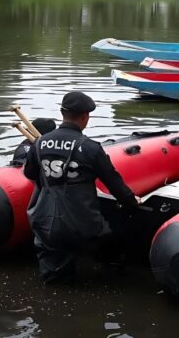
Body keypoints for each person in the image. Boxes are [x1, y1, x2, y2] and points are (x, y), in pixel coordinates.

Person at [24, 91, 138, 283]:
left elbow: (30, 174)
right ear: (85, 117)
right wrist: (131, 206)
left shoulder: (39, 143)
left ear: (62, 113)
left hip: (46, 223)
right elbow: (115, 185)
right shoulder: (90, 147)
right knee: (113, 245)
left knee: (54, 278)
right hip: (83, 225)